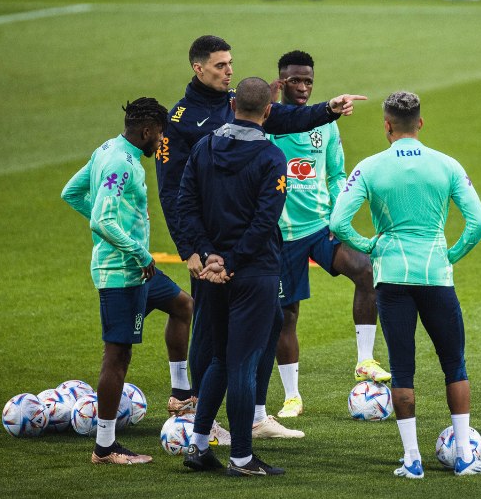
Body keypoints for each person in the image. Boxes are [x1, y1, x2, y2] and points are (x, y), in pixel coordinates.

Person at [157, 35, 367, 441]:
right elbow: (175, 194)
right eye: (220, 65)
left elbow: (286, 118)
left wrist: (329, 110)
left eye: (230, 63)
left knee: (270, 322)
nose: (229, 71)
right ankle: (205, 417)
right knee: (209, 337)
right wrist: (193, 251)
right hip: (210, 250)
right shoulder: (180, 121)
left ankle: (254, 414)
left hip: (246, 252)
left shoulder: (235, 102)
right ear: (198, 68)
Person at [330, 91, 481, 478]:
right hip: (436, 275)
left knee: (403, 371)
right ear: (420, 124)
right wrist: (450, 255)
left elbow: (338, 223)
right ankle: (466, 458)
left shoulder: (370, 168)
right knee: (454, 364)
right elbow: (480, 224)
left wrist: (371, 246)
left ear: (386, 125)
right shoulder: (447, 165)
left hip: (392, 280)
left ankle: (412, 460)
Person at [268, 50, 389, 419]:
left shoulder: (325, 122)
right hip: (282, 233)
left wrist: (340, 213)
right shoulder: (268, 120)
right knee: (287, 314)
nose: (303, 88)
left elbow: (337, 173)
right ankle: (292, 396)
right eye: (295, 81)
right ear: (281, 81)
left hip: (321, 225)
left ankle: (364, 360)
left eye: (308, 81)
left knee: (366, 271)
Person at [178, 77, 290, 476]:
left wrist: (209, 256)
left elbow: (185, 204)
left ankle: (198, 445)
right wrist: (233, 263)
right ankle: (241, 457)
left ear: (231, 105)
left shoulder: (204, 147)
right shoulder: (271, 157)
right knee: (242, 363)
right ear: (268, 111)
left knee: (220, 359)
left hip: (212, 275)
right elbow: (264, 221)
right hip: (252, 273)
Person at [61, 97, 169, 465]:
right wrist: (138, 252)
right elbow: (101, 222)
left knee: (183, 304)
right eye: (159, 135)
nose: (161, 142)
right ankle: (104, 447)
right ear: (146, 131)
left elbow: (71, 193)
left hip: (136, 269)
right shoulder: (122, 163)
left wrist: (117, 222)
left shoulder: (107, 148)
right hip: (124, 271)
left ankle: (184, 395)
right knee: (117, 354)